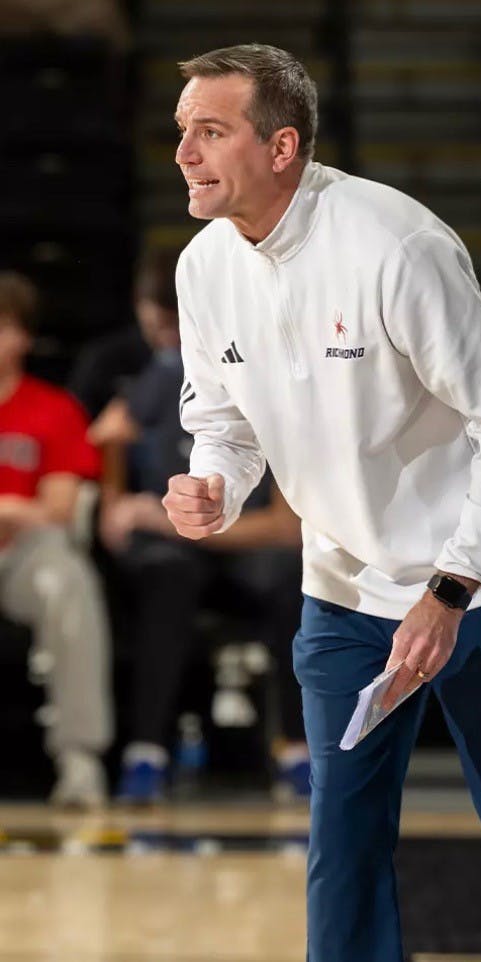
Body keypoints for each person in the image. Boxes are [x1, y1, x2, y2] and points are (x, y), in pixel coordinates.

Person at [161, 44, 481, 961]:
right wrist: (214, 484)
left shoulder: (397, 247)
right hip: (345, 585)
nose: (184, 153)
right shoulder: (202, 268)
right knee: (341, 839)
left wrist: (449, 591)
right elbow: (223, 419)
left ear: (281, 148)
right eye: (182, 132)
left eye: (209, 132)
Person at [88, 246, 307, 804]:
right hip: (185, 542)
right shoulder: (164, 374)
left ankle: (299, 747)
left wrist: (157, 517)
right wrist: (116, 501)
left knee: (295, 574)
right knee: (169, 577)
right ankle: (147, 751)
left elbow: (286, 527)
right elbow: (110, 434)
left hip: (239, 540)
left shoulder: (274, 372)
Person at [0, 270, 113, 809]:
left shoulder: (53, 409)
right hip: (20, 530)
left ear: (23, 335)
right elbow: (34, 505)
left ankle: (79, 758)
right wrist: (17, 506)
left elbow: (59, 510)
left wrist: (23, 512)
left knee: (68, 580)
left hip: (27, 555)